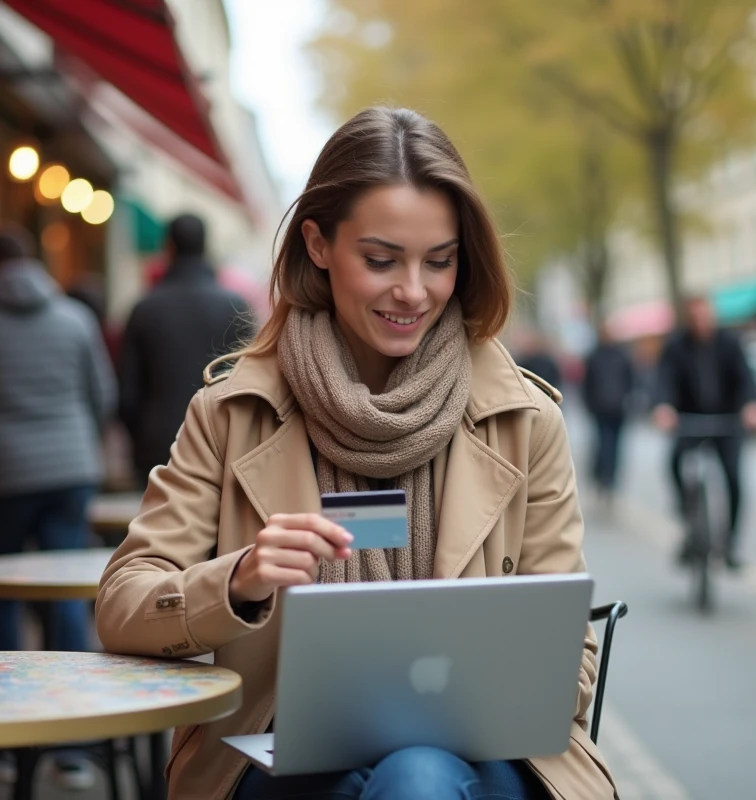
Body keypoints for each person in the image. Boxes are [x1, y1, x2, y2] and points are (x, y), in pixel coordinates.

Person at [96, 107, 616, 800]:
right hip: (278, 761)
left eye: (440, 261)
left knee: (417, 776)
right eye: (380, 260)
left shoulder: (526, 419)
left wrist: (479, 691)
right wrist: (240, 578)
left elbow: (573, 662)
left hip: (487, 761)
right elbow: (123, 606)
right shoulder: (230, 413)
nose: (413, 291)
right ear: (317, 244)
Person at [0, 225, 116, 789]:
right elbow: (101, 397)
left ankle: (10, 742)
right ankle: (74, 747)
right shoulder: (74, 318)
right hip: (70, 470)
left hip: (1, 473)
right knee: (63, 595)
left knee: (3, 593)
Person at [117, 213, 255, 488]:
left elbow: (127, 393)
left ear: (169, 247)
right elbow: (251, 380)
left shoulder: (145, 309)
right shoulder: (235, 306)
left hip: (158, 445)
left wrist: (140, 436)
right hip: (224, 440)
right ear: (205, 245)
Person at [652, 296, 756, 569]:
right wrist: (664, 407)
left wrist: (753, 406)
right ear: (688, 319)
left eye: (705, 317)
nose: (701, 323)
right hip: (689, 421)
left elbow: (746, 378)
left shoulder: (730, 343)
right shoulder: (675, 346)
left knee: (734, 479)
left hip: (726, 421)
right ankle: (688, 518)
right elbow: (664, 380)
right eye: (695, 318)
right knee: (673, 463)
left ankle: (730, 543)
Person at [582, 322, 635, 502]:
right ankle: (604, 477)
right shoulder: (594, 356)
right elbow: (587, 383)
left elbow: (630, 380)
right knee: (605, 444)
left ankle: (610, 479)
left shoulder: (622, 356)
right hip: (601, 409)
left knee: (615, 446)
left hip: (618, 409)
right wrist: (589, 404)